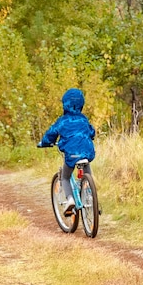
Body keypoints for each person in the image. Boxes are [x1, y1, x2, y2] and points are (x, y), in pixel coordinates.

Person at [38, 88, 96, 216]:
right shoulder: (83, 119)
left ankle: (70, 200)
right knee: (87, 169)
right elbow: (92, 132)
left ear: (65, 104)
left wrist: (44, 142)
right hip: (87, 151)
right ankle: (92, 195)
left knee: (65, 176)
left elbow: (51, 134)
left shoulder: (63, 121)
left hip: (71, 153)